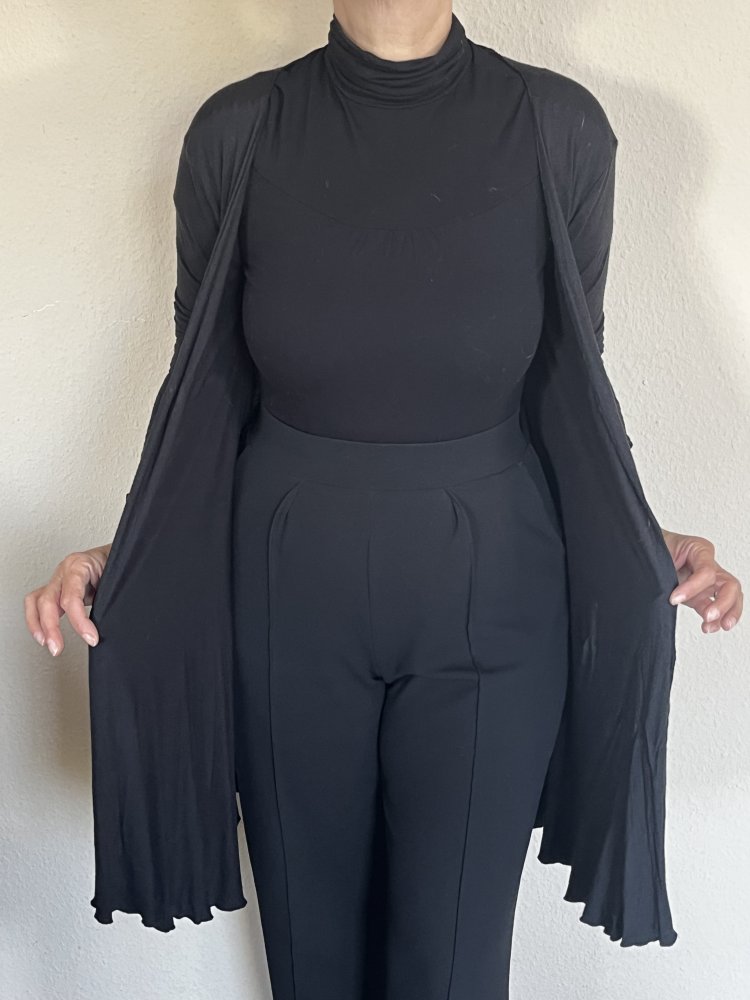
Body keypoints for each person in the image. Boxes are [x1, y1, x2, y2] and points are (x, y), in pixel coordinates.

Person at [24, 3, 743, 998]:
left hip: (496, 587)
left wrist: (635, 530)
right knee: (311, 962)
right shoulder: (239, 130)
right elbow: (205, 394)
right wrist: (131, 552)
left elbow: (570, 383)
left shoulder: (557, 127)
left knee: (452, 968)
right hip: (285, 591)